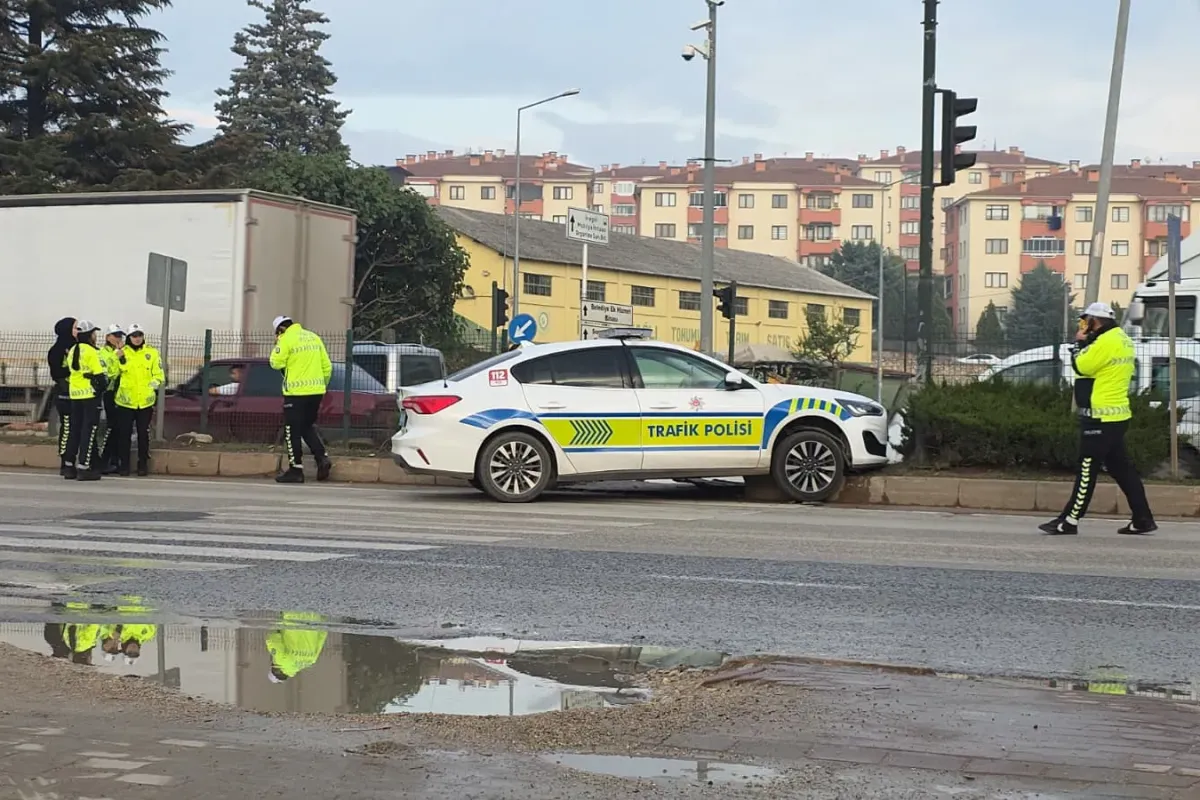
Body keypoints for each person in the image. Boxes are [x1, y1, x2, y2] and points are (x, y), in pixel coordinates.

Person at [1040, 302, 1156, 536]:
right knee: (1122, 469)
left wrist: (1079, 343)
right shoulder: (1120, 337)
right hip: (1116, 415)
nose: (1083, 324)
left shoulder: (1105, 342)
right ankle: (1143, 519)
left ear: (1096, 320)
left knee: (1086, 469)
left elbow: (1082, 366)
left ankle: (1069, 521)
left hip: (1100, 417)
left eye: (1086, 320)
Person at [268, 315, 332, 483]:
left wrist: (278, 345)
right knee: (307, 427)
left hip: (296, 393)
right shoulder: (313, 337)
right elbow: (327, 366)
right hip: (316, 391)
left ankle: (295, 470)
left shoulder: (286, 339)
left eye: (276, 333)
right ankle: (322, 458)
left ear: (280, 329)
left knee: (292, 432)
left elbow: (275, 363)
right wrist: (321, 385)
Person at [114, 324, 163, 476]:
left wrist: (151, 387)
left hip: (145, 402)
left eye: (139, 335)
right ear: (129, 337)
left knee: (143, 434)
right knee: (124, 434)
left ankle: (143, 464)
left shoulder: (152, 353)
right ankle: (124, 465)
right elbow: (114, 373)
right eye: (134, 336)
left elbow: (159, 375)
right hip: (126, 401)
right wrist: (119, 358)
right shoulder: (122, 352)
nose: (137, 338)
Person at [62, 321, 106, 481]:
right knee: (89, 430)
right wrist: (100, 385)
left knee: (75, 430)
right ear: (89, 335)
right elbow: (100, 376)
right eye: (94, 333)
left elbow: (73, 370)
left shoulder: (73, 350)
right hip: (89, 396)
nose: (95, 336)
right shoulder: (91, 352)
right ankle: (83, 467)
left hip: (75, 394)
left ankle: (68, 466)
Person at [47, 317, 76, 476]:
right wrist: (73, 372)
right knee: (67, 427)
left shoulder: (78, 347)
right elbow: (56, 373)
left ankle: (75, 459)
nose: (77, 331)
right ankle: (64, 460)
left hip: (80, 393)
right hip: (65, 393)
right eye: (75, 327)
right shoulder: (57, 350)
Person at [98, 324, 125, 474]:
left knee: (118, 428)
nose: (118, 339)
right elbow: (108, 371)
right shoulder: (103, 353)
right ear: (108, 337)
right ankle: (104, 460)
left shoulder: (121, 352)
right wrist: (117, 357)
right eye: (115, 336)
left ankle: (115, 459)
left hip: (119, 393)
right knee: (108, 428)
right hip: (107, 393)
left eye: (120, 336)